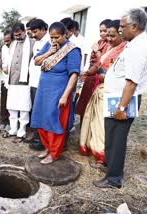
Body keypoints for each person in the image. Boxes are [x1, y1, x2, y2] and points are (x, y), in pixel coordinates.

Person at [93, 8, 147, 189]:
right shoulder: (133, 43)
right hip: (116, 98)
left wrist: (121, 108)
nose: (120, 30)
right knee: (111, 135)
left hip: (124, 101)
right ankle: (110, 168)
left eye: (123, 26)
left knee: (117, 140)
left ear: (135, 26)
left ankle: (113, 179)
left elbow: (131, 83)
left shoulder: (139, 47)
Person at [31, 22, 81, 164]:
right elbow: (36, 61)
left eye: (57, 37)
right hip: (43, 90)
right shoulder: (49, 45)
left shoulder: (72, 50)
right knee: (41, 118)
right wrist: (49, 52)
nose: (53, 40)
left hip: (59, 91)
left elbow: (74, 75)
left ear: (66, 34)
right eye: (51, 37)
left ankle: (54, 153)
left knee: (55, 121)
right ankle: (47, 147)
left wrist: (65, 95)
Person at [79, 20, 127, 168]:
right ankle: (97, 153)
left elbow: (125, 76)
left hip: (114, 93)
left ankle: (104, 158)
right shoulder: (109, 47)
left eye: (112, 35)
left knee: (105, 127)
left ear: (121, 33)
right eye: (107, 35)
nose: (108, 39)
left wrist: (105, 78)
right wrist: (88, 73)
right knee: (96, 123)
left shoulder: (126, 50)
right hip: (100, 90)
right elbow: (98, 64)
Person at [2, 22, 35, 142]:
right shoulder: (12, 44)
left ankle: (22, 131)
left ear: (25, 31)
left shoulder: (32, 43)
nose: (17, 37)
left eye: (19, 34)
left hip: (25, 81)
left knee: (24, 108)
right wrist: (5, 67)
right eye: (15, 35)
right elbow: (6, 59)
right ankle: (13, 129)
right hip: (12, 80)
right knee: (12, 107)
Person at [75, 19, 112, 118]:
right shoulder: (99, 42)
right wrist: (87, 72)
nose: (102, 34)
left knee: (95, 107)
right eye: (100, 31)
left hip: (101, 78)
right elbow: (94, 62)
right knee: (85, 104)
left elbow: (104, 61)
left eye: (105, 31)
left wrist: (96, 51)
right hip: (92, 75)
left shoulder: (111, 44)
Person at [28, 18, 49, 150]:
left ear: (43, 29)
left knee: (41, 112)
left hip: (42, 83)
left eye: (35, 31)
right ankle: (37, 137)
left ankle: (42, 140)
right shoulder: (37, 42)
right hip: (34, 82)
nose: (33, 34)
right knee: (35, 111)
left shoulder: (49, 42)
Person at [0, 30, 13, 131]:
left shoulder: (16, 47)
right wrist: (3, 67)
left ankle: (10, 122)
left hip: (14, 79)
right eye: (5, 41)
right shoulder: (3, 48)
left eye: (8, 41)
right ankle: (4, 121)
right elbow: (2, 61)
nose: (7, 43)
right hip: (4, 78)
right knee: (3, 100)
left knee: (11, 102)